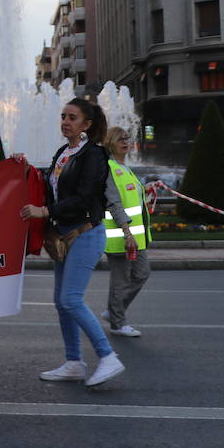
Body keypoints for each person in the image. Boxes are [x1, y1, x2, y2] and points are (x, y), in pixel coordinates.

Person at [19, 98, 124, 388]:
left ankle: (107, 356)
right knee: (61, 302)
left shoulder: (95, 155)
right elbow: (50, 186)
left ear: (86, 125)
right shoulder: (64, 152)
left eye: (73, 117)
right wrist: (25, 168)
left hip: (86, 233)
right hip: (64, 235)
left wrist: (46, 212)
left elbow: (86, 195)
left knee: (70, 299)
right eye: (64, 116)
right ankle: (74, 363)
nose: (66, 121)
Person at [100, 126, 150, 339]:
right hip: (121, 235)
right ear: (111, 142)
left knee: (142, 273)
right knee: (120, 280)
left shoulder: (125, 168)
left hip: (135, 236)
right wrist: (127, 233)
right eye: (121, 139)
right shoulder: (109, 168)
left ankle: (114, 310)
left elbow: (133, 200)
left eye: (128, 139)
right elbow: (114, 203)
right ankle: (118, 323)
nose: (126, 142)